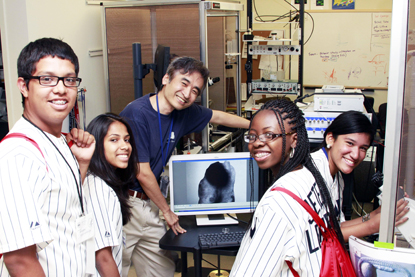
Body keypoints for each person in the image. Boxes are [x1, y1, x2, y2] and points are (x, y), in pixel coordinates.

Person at [120, 56, 250, 276]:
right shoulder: (137, 114)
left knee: (162, 269)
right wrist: (167, 210)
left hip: (149, 205)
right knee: (112, 268)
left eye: (195, 90)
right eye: (184, 83)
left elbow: (217, 116)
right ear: (165, 79)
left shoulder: (182, 113)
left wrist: (257, 127)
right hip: (123, 204)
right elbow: (142, 172)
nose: (188, 93)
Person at [0, 38, 95, 276]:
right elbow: (19, 260)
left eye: (69, 80)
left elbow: (60, 207)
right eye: (47, 79)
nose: (61, 89)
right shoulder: (18, 154)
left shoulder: (59, 141)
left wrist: (82, 165)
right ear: (23, 86)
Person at [231, 98, 347, 276]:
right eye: (252, 136)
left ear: (294, 140)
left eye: (269, 135)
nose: (257, 142)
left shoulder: (277, 203)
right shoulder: (310, 176)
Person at [311, 110, 409, 241]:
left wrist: (377, 213)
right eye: (350, 143)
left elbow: (336, 227)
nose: (356, 155)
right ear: (330, 138)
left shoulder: (336, 175)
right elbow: (318, 235)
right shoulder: (311, 174)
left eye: (363, 148)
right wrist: (372, 226)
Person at [84, 113, 139, 277]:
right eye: (114, 140)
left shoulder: (108, 185)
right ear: (97, 145)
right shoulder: (98, 188)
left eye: (126, 139)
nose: (125, 146)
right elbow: (102, 258)